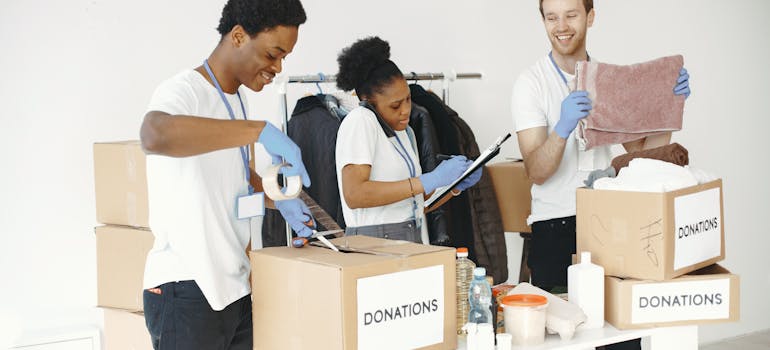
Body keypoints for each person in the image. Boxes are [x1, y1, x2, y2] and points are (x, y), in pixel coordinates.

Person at [511, 0, 690, 348]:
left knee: (621, 335)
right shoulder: (530, 84)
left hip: (610, 226)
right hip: (555, 229)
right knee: (564, 338)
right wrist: (562, 127)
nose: (561, 25)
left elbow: (641, 154)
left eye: (571, 15)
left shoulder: (609, 81)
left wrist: (670, 106)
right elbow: (536, 171)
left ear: (591, 17)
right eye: (552, 17)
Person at [138, 0, 314, 348]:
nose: (277, 67)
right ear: (237, 36)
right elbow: (154, 135)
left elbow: (232, 176)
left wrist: (279, 201)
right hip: (188, 288)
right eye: (272, 54)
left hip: (233, 287)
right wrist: (257, 130)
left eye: (283, 58)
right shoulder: (183, 90)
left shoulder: (236, 100)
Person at [334, 36, 482, 244]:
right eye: (395, 106)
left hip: (412, 239)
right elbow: (355, 194)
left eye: (408, 99)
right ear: (367, 101)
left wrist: (454, 185)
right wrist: (427, 180)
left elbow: (416, 203)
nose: (406, 111)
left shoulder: (404, 133)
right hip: (374, 245)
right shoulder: (361, 120)